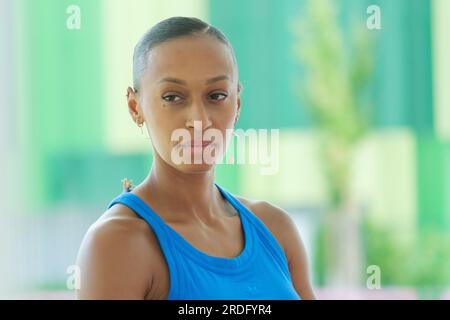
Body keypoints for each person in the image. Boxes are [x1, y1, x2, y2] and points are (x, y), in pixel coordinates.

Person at [76, 16, 315, 300]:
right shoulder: (118, 243)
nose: (198, 120)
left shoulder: (276, 228)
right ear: (134, 106)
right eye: (173, 97)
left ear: (236, 103)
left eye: (215, 95)